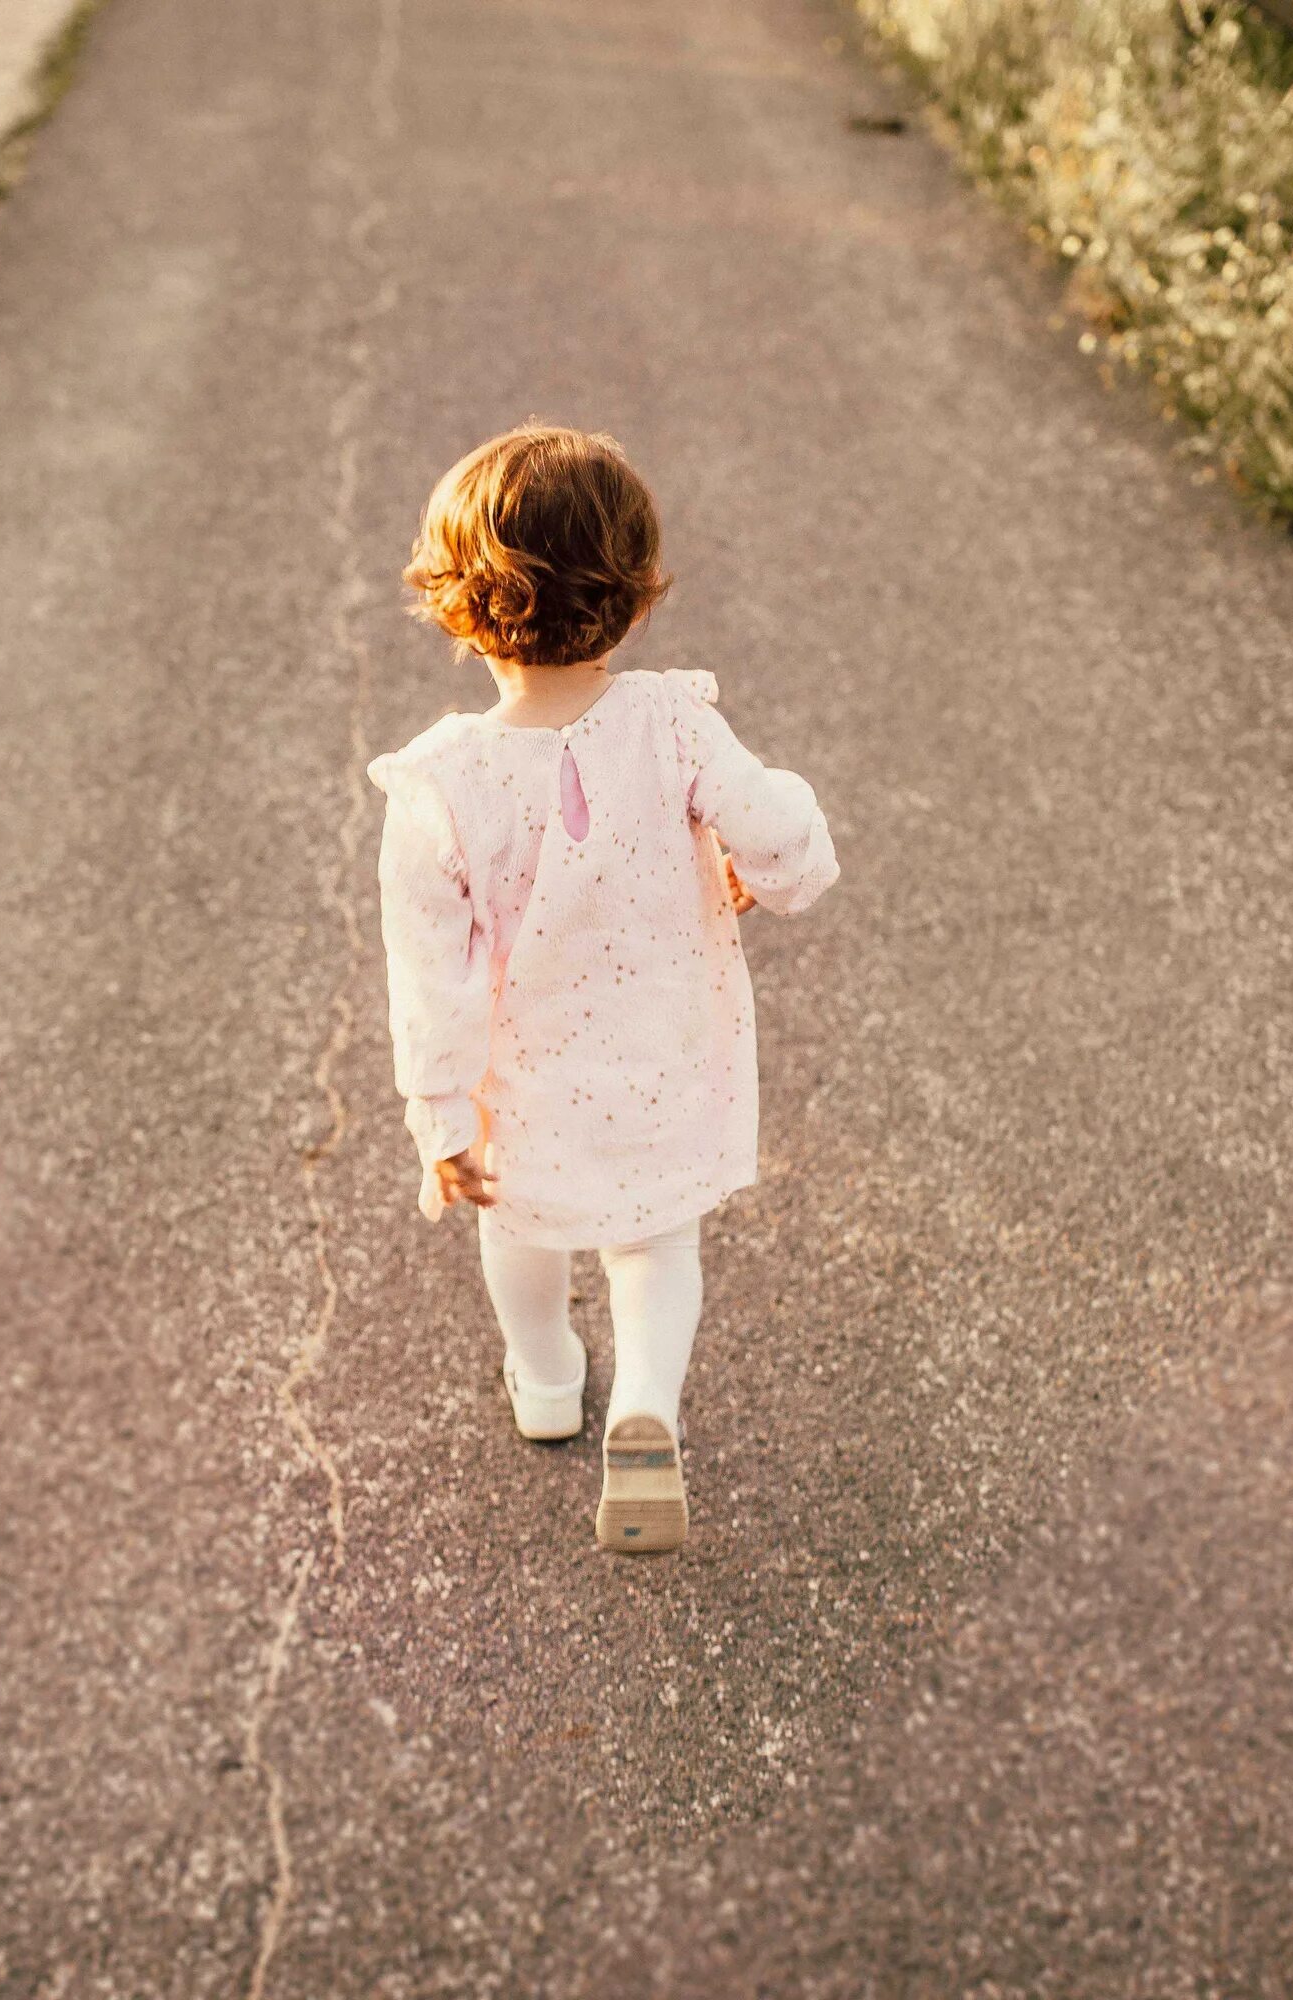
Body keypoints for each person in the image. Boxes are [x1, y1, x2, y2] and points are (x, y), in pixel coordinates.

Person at [368, 424, 837, 1553]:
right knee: (654, 1243)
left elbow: (428, 973)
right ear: (632, 597)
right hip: (667, 1053)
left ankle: (544, 1378)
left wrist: (439, 1117)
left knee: (518, 1225)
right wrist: (771, 868)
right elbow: (781, 834)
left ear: (457, 603)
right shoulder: (674, 722)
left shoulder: (440, 784)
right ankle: (646, 1406)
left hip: (521, 1080)